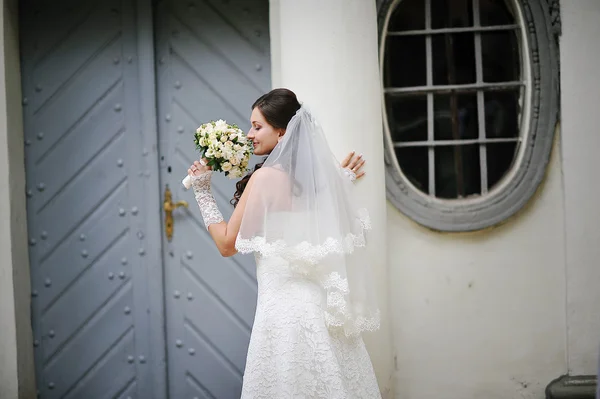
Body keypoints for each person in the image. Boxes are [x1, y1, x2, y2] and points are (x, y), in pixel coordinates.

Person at [187, 88, 381, 398]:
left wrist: (202, 190)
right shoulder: (322, 183)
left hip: (282, 316)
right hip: (321, 312)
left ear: (282, 132)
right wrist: (340, 179)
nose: (250, 134)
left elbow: (226, 244)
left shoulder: (264, 179)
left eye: (257, 126)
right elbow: (322, 221)